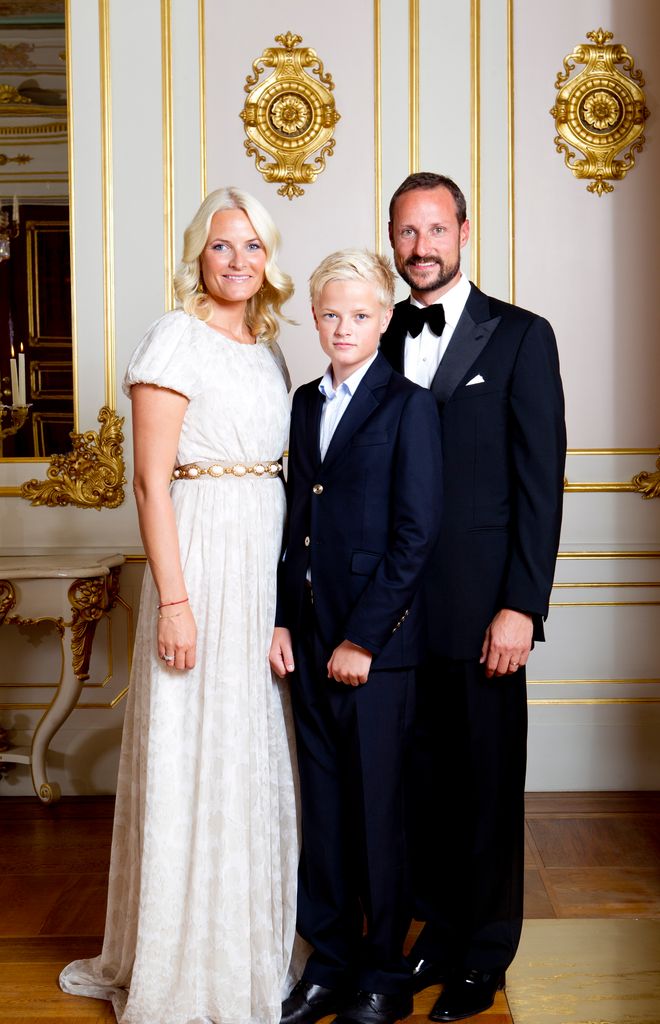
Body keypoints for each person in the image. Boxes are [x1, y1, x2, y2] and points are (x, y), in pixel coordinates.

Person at [59, 187, 298, 1024]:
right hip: (197, 559)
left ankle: (245, 940)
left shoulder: (270, 350)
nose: (237, 262)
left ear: (270, 259)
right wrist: (175, 602)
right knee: (194, 744)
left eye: (252, 248)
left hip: (259, 561)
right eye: (221, 246)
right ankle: (185, 954)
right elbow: (150, 484)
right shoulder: (173, 339)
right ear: (198, 253)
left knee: (247, 746)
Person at [379, 172, 566, 1023]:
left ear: (462, 231)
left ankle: (484, 954)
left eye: (434, 229)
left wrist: (521, 605)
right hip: (394, 614)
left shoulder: (523, 337)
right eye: (405, 232)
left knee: (486, 785)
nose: (421, 247)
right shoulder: (374, 334)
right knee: (420, 788)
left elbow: (540, 485)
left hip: (485, 608)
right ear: (392, 240)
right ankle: (439, 932)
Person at [270, 249, 443, 1024]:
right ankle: (329, 962)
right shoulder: (304, 402)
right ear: (315, 318)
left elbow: (416, 535)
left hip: (375, 649)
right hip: (306, 638)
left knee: (379, 815)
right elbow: (293, 526)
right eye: (331, 314)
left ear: (385, 318)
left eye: (362, 315)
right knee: (328, 810)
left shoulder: (409, 406)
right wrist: (282, 618)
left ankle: (381, 974)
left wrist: (364, 640)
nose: (345, 327)